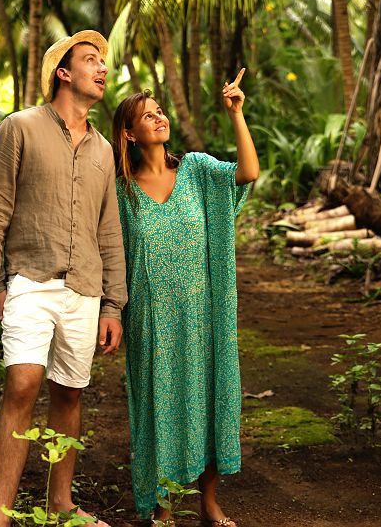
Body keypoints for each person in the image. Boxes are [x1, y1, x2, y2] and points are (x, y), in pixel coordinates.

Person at [0, 30, 127, 527]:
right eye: (90, 60)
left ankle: (59, 503)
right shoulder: (18, 128)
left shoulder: (105, 150)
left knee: (69, 393)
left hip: (85, 287)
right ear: (63, 73)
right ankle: (0, 514)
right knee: (22, 383)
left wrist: (112, 305)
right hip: (29, 279)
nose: (101, 68)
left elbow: (109, 229)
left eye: (103, 61)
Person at [111, 69, 259, 526]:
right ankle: (162, 507)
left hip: (203, 314)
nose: (158, 118)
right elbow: (111, 255)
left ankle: (210, 503)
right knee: (159, 408)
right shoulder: (121, 191)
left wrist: (237, 114)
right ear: (129, 134)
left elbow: (248, 172)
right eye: (146, 115)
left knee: (210, 399)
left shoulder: (195, 170)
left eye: (159, 112)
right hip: (151, 321)